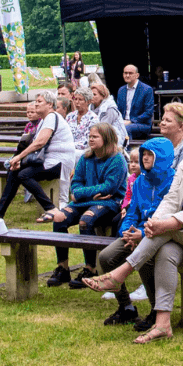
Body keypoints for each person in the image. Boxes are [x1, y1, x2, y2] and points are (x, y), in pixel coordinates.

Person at [84, 119, 183, 345]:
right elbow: (171, 199)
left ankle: (121, 273)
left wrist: (161, 225)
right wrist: (154, 222)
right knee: (166, 251)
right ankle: (162, 324)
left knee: (165, 231)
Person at [94, 137, 177, 328]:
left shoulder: (174, 181)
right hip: (136, 233)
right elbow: (132, 212)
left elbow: (167, 214)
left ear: (162, 157)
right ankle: (126, 308)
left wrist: (141, 234)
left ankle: (157, 312)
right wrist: (126, 232)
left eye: (150, 155)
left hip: (159, 234)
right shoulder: (140, 181)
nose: (145, 159)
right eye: (144, 154)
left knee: (146, 260)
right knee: (107, 257)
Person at [41, 123, 129, 287]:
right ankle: (63, 268)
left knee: (85, 221)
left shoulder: (117, 160)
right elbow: (75, 185)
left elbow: (109, 188)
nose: (90, 139)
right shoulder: (85, 158)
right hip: (86, 201)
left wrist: (81, 193)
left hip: (111, 203)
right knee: (59, 217)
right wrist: (87, 194)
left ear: (107, 138)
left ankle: (90, 268)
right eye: (90, 136)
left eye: (95, 136)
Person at [0, 93, 76, 220]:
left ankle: (50, 208)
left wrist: (19, 158)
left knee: (24, 174)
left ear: (50, 104)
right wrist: (21, 162)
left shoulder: (52, 117)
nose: (36, 104)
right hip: (48, 160)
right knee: (15, 171)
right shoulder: (44, 120)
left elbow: (40, 143)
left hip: (60, 163)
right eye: (35, 101)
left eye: (39, 101)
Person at [116, 64, 156, 140]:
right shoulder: (121, 90)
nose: (127, 75)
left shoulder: (147, 90)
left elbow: (148, 112)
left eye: (130, 73)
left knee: (126, 128)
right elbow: (118, 111)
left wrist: (131, 121)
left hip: (142, 124)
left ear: (137, 75)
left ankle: (126, 150)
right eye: (125, 73)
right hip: (123, 123)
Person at [89, 81, 129, 148]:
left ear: (102, 96)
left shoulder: (110, 108)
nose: (91, 97)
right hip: (99, 137)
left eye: (94, 94)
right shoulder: (90, 107)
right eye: (91, 95)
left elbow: (103, 129)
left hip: (116, 139)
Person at [66, 88, 98, 153]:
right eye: (75, 99)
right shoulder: (70, 116)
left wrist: (69, 146)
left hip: (84, 151)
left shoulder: (93, 119)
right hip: (68, 149)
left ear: (88, 101)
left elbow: (87, 142)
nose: (77, 102)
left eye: (80, 99)